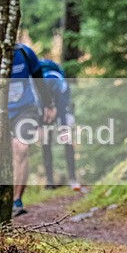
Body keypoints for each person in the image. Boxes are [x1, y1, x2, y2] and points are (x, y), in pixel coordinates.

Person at [0, 42, 56, 216]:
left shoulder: (25, 53)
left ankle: (17, 200)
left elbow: (39, 80)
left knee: (21, 147)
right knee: (0, 156)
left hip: (26, 109)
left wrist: (48, 105)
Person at [39, 58, 80, 191]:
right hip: (44, 104)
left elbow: (62, 109)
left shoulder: (58, 86)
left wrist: (63, 127)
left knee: (66, 138)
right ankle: (49, 180)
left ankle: (73, 179)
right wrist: (40, 125)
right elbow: (37, 109)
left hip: (63, 103)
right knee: (45, 140)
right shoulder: (37, 89)